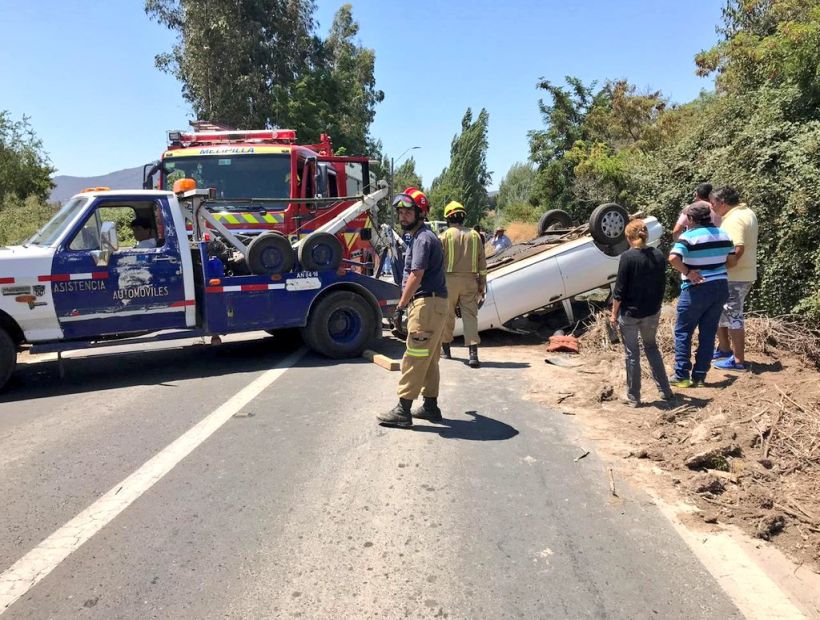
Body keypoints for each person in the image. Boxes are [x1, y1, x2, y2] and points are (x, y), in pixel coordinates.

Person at [377, 187, 448, 428]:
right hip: (435, 303)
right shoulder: (423, 237)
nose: (403, 216)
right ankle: (430, 406)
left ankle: (403, 410)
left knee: (415, 355)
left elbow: (416, 275)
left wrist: (400, 306)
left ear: (421, 213)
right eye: (401, 212)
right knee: (429, 357)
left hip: (426, 304)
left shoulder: (422, 239)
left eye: (408, 212)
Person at [668, 203, 735, 388]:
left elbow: (673, 258)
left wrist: (688, 272)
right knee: (708, 332)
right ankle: (699, 376)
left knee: (683, 332)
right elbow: (732, 260)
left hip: (696, 288)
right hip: (720, 287)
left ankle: (681, 375)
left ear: (690, 219)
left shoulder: (688, 236)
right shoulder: (724, 234)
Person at [610, 219, 673, 407]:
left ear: (629, 237)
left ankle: (634, 397)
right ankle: (665, 390)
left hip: (630, 314)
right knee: (652, 348)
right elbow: (662, 285)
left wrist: (614, 314)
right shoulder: (659, 255)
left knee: (632, 354)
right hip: (652, 312)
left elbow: (619, 291)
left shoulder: (628, 257)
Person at [711, 186, 759, 371]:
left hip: (735, 276)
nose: (712, 208)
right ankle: (724, 349)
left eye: (714, 203)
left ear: (723, 203)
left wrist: (723, 267)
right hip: (743, 274)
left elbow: (738, 248)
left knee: (734, 316)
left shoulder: (734, 219)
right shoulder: (746, 212)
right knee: (722, 312)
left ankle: (738, 361)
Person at [439, 201, 487, 368]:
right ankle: (473, 354)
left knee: (447, 315)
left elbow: (437, 263)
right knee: (470, 317)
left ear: (447, 219)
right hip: (470, 281)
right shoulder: (475, 235)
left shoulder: (444, 236)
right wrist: (482, 284)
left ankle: (445, 350)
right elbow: (482, 263)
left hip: (448, 282)